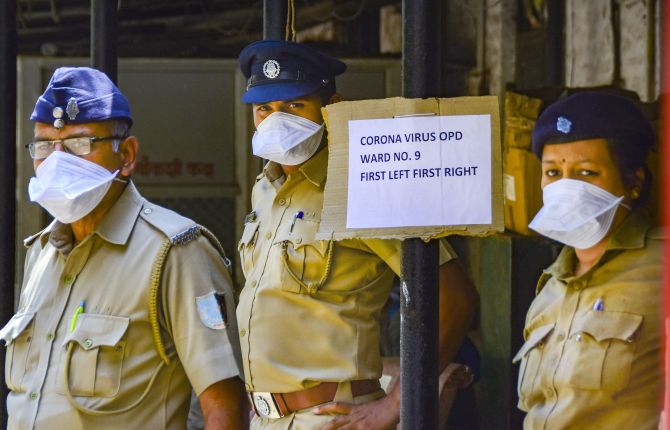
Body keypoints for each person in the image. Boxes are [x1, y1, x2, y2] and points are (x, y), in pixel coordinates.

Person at [236, 39, 479, 429]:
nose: (276, 121)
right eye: (264, 109)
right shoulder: (265, 188)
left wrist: (397, 402)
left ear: (331, 106)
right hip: (267, 418)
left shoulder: (361, 186)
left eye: (294, 106)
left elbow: (454, 295)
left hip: (333, 417)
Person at [0, 67, 248, 429]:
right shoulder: (43, 252)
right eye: (44, 147)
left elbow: (225, 406)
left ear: (127, 155)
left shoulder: (175, 252)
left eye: (78, 145)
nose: (57, 163)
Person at [514, 91, 661, 429]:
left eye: (586, 173)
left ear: (634, 181)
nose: (566, 189)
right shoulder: (550, 288)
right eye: (552, 173)